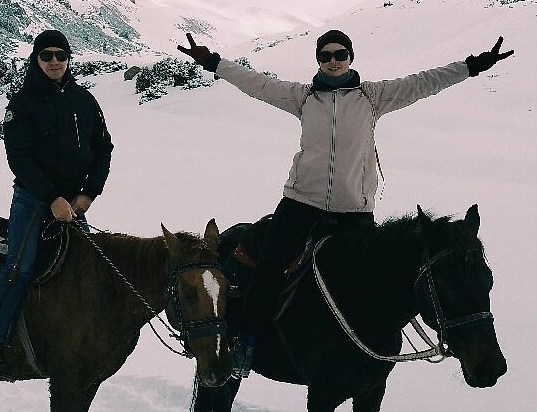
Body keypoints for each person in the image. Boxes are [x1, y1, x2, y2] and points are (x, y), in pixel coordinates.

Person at [177, 27, 513, 376]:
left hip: (353, 210)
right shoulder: (302, 97)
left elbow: (424, 82)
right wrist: (212, 62)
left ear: (350, 57)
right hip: (300, 202)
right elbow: (256, 84)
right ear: (319, 61)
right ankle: (246, 343)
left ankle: (366, 355)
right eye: (326, 56)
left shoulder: (373, 97)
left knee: (373, 283)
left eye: (340, 54)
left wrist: (472, 66)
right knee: (269, 267)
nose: (333, 61)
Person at [0, 30, 114, 380]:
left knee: (86, 267)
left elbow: (104, 150)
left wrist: (89, 194)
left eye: (60, 55)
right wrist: (51, 197)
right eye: (47, 55)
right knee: (19, 268)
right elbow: (19, 158)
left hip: (74, 204)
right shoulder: (22, 104)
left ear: (69, 59)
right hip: (34, 199)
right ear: (36, 59)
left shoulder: (85, 101)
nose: (54, 61)